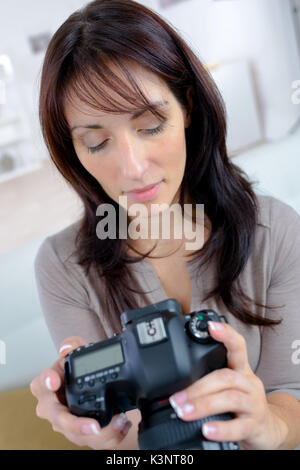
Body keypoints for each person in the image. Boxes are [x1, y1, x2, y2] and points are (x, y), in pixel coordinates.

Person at [30, 0, 300, 450]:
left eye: (151, 125)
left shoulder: (275, 231)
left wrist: (267, 424)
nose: (133, 168)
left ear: (187, 107)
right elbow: (128, 436)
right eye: (97, 142)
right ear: (72, 149)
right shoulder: (63, 266)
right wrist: (106, 440)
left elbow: (293, 394)